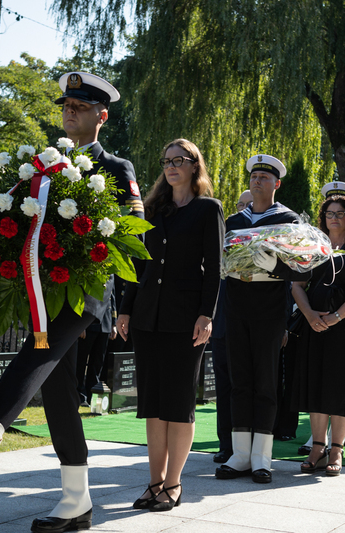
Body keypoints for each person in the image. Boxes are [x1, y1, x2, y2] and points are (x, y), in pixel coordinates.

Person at [0, 71, 144, 533]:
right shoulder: (45, 165)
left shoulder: (117, 169)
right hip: (44, 290)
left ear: (101, 116)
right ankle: (76, 502)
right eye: (66, 106)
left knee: (34, 355)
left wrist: (128, 306)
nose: (70, 112)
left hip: (85, 297)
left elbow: (131, 240)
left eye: (80, 108)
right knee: (59, 397)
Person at [116, 138, 224, 511]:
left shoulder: (209, 209)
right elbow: (137, 265)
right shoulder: (150, 209)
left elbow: (215, 270)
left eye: (180, 160)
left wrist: (207, 314)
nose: (172, 166)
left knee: (178, 404)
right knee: (152, 404)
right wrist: (126, 309)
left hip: (186, 320)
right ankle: (153, 483)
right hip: (148, 316)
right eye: (166, 161)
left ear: (195, 166)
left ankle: (173, 485)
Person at [215, 155, 305, 484]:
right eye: (253, 176)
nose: (257, 181)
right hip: (237, 305)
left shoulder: (288, 219)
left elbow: (299, 268)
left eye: (264, 177)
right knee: (240, 379)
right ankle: (240, 454)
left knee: (265, 380)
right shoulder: (235, 220)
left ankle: (261, 457)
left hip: (269, 307)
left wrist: (274, 267)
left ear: (276, 184)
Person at [291, 194, 345, 476]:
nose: (334, 218)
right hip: (315, 325)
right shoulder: (312, 247)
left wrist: (337, 316)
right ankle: (318, 447)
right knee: (317, 383)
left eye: (340, 213)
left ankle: (337, 449)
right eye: (330, 213)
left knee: (342, 386)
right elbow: (297, 285)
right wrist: (310, 315)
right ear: (323, 217)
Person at [211, 190, 253, 464]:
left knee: (251, 386)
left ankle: (251, 446)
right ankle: (226, 444)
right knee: (225, 387)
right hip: (222, 327)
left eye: (251, 206)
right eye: (241, 206)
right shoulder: (222, 240)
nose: (245, 211)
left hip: (254, 328)